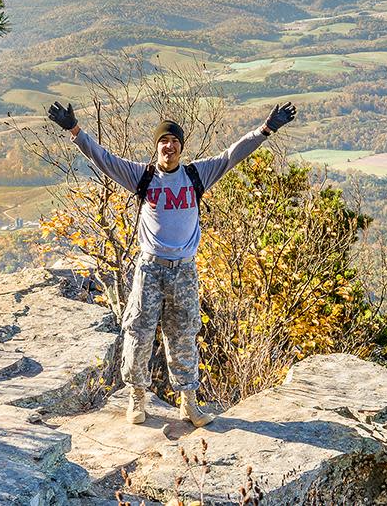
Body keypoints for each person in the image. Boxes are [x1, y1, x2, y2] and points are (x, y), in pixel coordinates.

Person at [46, 100, 296, 427]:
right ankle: (136, 397)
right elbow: (104, 159)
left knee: (184, 333)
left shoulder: (196, 175)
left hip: (184, 270)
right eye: (164, 141)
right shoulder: (143, 176)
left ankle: (188, 402)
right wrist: (75, 131)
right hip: (150, 268)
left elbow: (232, 155)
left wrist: (266, 129)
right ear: (157, 147)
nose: (169, 145)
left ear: (180, 148)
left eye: (175, 141)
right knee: (139, 330)